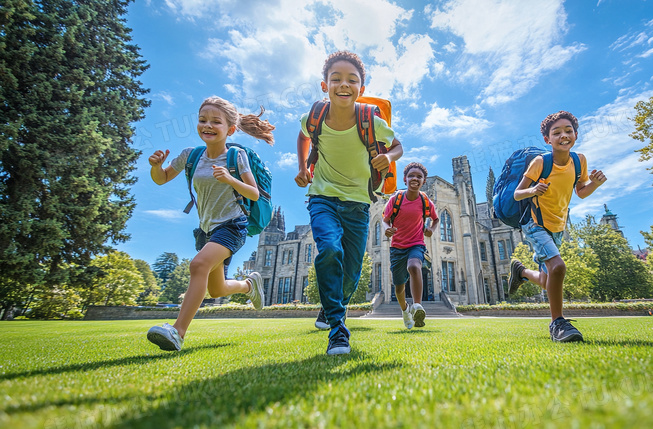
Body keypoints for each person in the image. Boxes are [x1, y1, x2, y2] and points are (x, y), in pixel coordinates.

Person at [146, 96, 275, 351]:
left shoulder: (236, 156)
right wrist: (156, 166)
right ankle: (249, 285)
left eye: (216, 121)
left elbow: (254, 193)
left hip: (232, 225)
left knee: (198, 265)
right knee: (216, 290)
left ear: (230, 129)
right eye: (203, 120)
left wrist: (230, 179)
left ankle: (177, 331)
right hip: (206, 230)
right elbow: (160, 179)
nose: (208, 125)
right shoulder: (190, 156)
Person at [295, 51, 403, 355]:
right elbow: (303, 135)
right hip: (322, 197)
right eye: (336, 79)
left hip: (358, 202)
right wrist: (303, 167)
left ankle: (330, 309)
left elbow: (397, 146)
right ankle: (338, 331)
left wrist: (388, 157)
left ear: (362, 89)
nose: (344, 84)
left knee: (353, 269)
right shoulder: (314, 117)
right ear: (324, 84)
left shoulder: (370, 118)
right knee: (329, 249)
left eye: (351, 80)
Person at [509, 111, 606, 343]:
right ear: (547, 139)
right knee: (558, 267)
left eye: (568, 131)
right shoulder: (540, 162)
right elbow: (517, 193)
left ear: (575, 134)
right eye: (557, 132)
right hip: (535, 222)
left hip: (558, 225)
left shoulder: (579, 160)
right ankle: (558, 323)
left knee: (547, 279)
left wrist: (595, 183)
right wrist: (533, 190)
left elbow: (581, 192)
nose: (563, 135)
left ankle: (521, 272)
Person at [382, 162, 439, 329]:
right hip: (397, 248)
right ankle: (405, 310)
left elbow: (435, 219)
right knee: (399, 289)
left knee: (414, 266)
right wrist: (387, 230)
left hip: (416, 244)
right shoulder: (395, 199)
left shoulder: (425, 201)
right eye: (412, 175)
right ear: (405, 179)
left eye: (419, 176)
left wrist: (431, 230)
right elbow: (385, 220)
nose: (415, 178)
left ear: (424, 181)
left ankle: (417, 306)